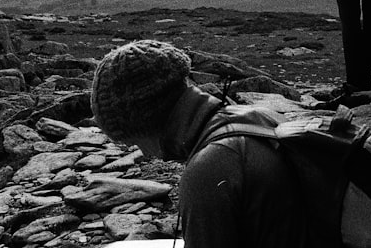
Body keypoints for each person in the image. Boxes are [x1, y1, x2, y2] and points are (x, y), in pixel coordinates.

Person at [90, 40, 314, 248]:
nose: (144, 154)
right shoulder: (260, 116)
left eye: (134, 141)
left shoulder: (209, 169)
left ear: (145, 121)